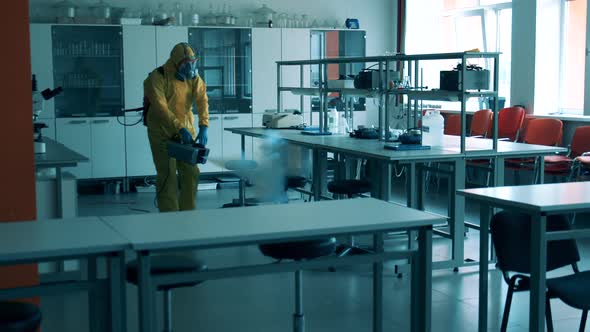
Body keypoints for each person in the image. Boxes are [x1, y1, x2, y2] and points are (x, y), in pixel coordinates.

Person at [144, 42, 209, 212]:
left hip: (185, 132)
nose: (191, 67)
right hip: (161, 132)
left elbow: (202, 100)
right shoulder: (157, 77)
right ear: (175, 63)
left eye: (193, 62)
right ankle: (170, 216)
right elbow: (161, 108)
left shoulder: (193, 78)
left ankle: (188, 213)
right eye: (186, 64)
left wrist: (204, 125)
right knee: (168, 175)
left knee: (191, 172)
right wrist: (179, 128)